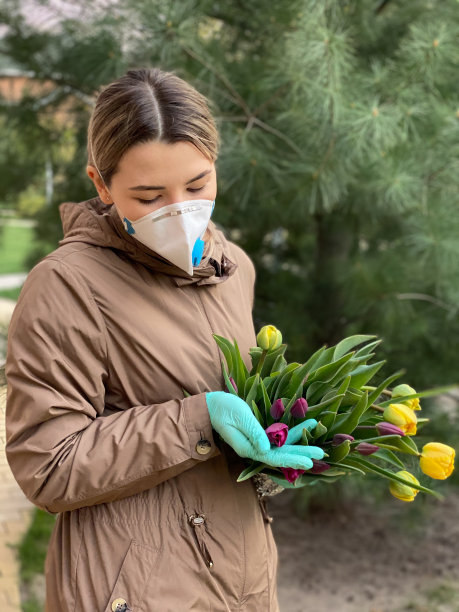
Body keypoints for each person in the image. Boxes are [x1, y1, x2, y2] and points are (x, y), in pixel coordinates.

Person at [4, 67, 323, 611]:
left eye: (197, 186)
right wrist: (200, 419)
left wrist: (275, 444)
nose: (181, 212)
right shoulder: (66, 286)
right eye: (150, 195)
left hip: (243, 574)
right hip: (134, 586)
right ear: (101, 184)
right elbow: (49, 464)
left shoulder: (234, 268)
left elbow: (236, 414)